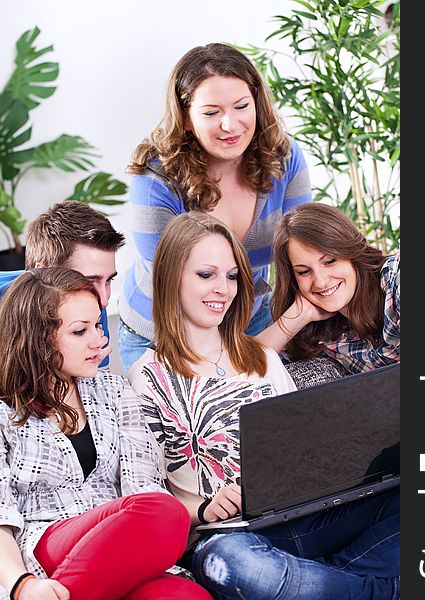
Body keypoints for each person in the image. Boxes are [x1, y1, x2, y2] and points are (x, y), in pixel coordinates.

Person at [129, 212, 400, 599]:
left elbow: (304, 447)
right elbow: (147, 500)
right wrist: (204, 508)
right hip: (228, 537)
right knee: (237, 568)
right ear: (172, 277)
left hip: (305, 517)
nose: (222, 289)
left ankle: (314, 584)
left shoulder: (262, 359)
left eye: (231, 276)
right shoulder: (147, 377)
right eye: (206, 275)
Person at [0, 268, 211, 600]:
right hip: (46, 546)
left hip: (120, 550)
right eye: (80, 331)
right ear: (38, 339)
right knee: (166, 511)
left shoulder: (114, 390)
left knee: (187, 596)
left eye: (98, 325)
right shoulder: (3, 415)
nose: (99, 340)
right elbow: (1, 516)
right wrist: (22, 586)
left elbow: (144, 489)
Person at [119, 42, 312, 373]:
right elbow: (176, 285)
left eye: (241, 106)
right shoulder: (155, 178)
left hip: (249, 320)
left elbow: (304, 249)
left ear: (257, 104)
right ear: (186, 118)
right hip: (166, 332)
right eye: (211, 112)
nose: (230, 124)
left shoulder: (284, 158)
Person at [259, 202, 400, 373]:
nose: (320, 282)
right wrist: (298, 316)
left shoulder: (395, 278)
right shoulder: (322, 337)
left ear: (351, 252)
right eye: (303, 272)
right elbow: (240, 369)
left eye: (330, 261)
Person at [0, 201, 125, 367]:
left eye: (109, 280)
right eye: (88, 281)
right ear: (43, 272)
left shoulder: (92, 306)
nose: (103, 300)